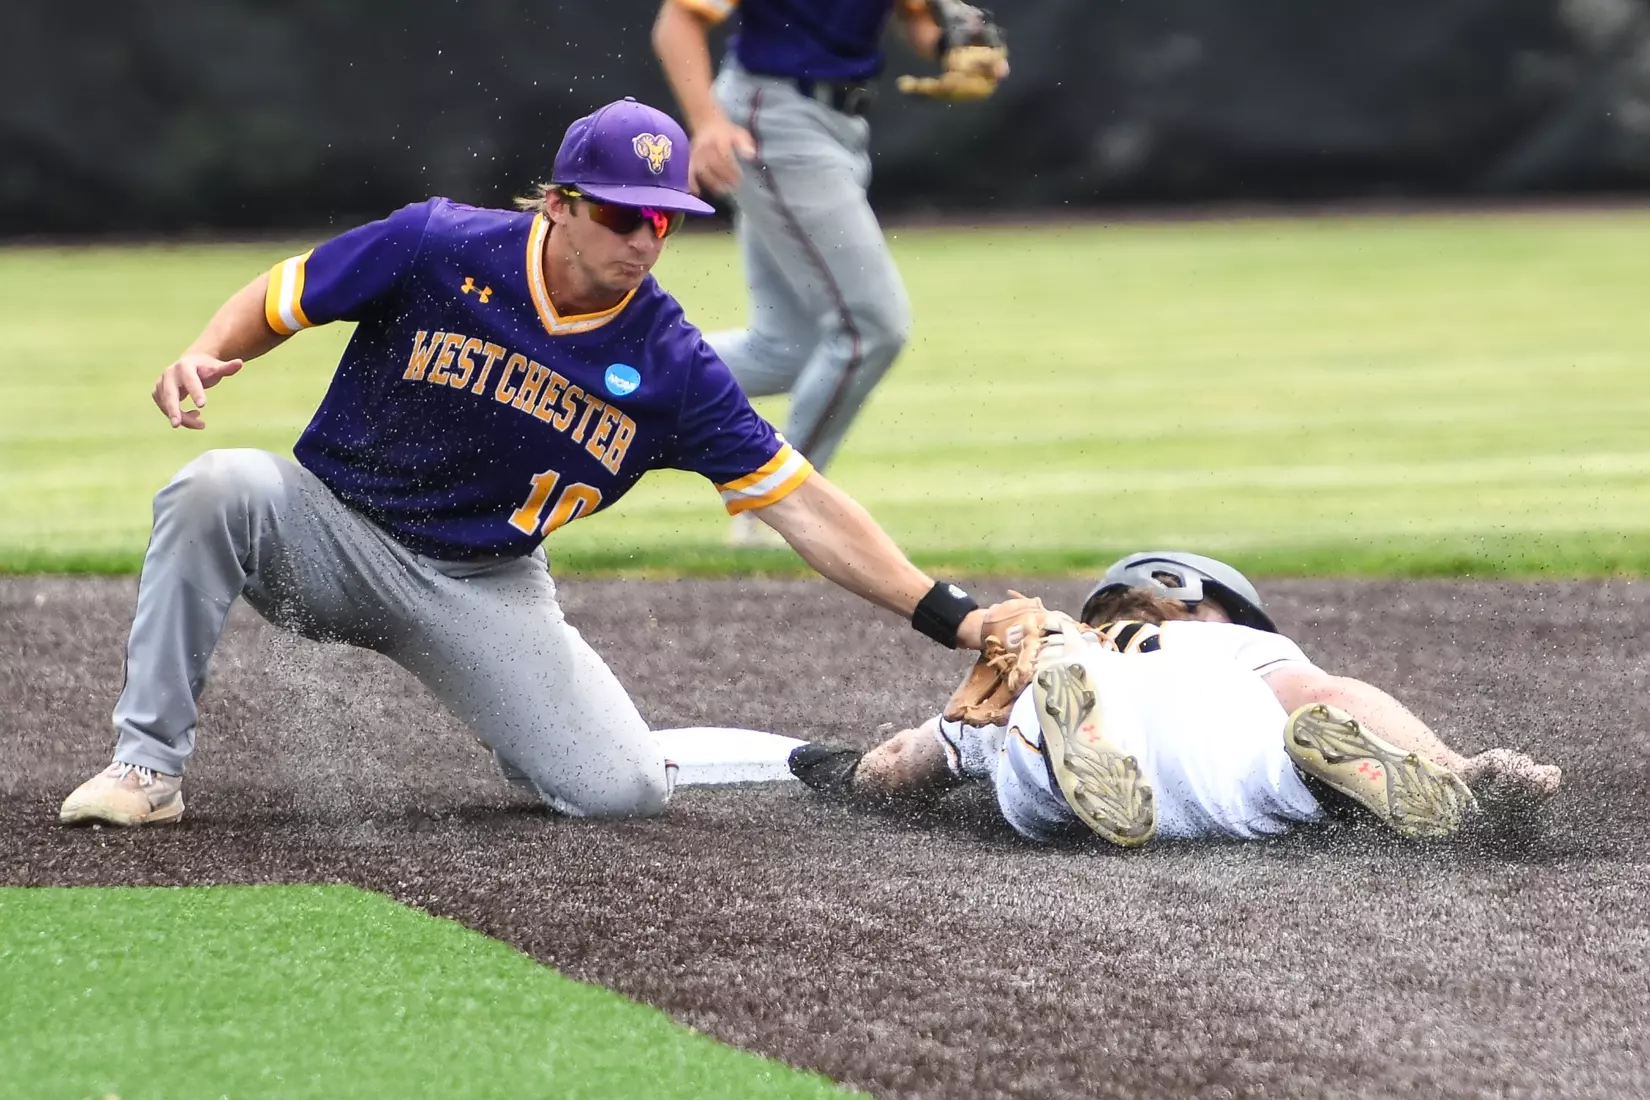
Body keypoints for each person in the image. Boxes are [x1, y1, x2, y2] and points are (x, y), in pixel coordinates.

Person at [57, 97, 999, 828]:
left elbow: (800, 503)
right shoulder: (438, 245)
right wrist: (205, 350)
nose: (644, 240)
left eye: (664, 221)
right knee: (213, 486)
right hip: (328, 532)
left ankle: (536, 736)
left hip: (482, 585)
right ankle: (147, 768)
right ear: (558, 202)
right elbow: (286, 293)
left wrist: (944, 612)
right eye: (624, 214)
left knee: (621, 791)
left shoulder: (672, 364)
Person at [786, 551, 1563, 847]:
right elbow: (1330, 693)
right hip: (1220, 734)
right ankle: (1341, 783)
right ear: (1215, 604)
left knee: (1014, 759)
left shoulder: (1058, 639)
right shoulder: (1228, 645)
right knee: (1278, 768)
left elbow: (904, 762)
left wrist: (849, 774)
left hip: (1074, 691)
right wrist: (1457, 763)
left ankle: (1071, 746)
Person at [651, 0, 1008, 547]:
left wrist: (949, 45)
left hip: (838, 123)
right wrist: (705, 124)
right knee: (871, 328)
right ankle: (777, 511)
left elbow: (916, 13)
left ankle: (611, 371)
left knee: (787, 350)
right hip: (773, 116)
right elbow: (678, 19)